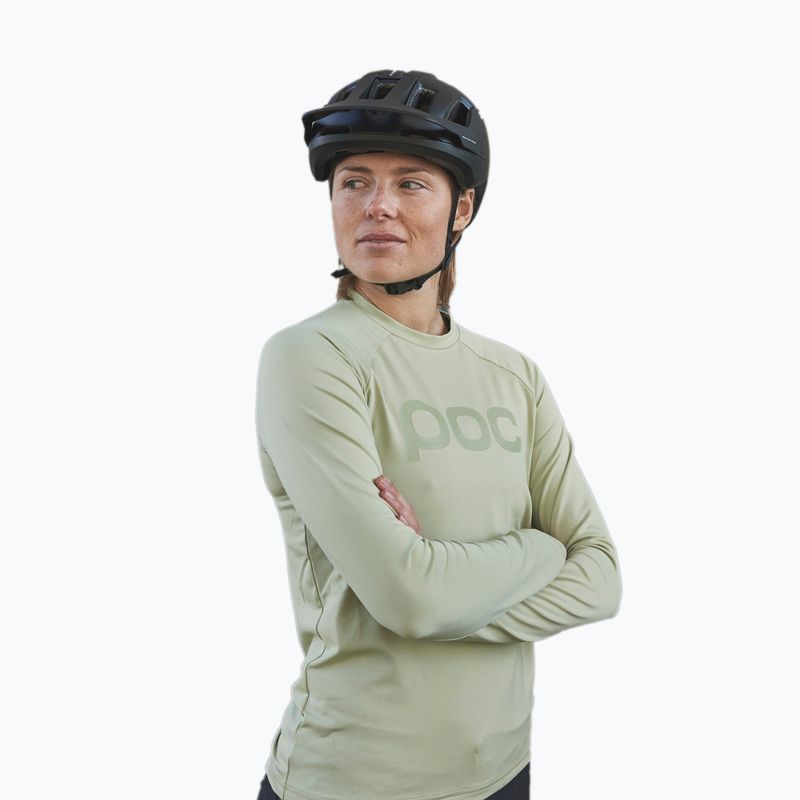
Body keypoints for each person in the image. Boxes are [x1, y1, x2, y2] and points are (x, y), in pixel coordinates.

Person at [254, 68, 622, 800]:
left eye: (411, 183)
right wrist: (540, 549)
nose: (377, 206)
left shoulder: (513, 375)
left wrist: (436, 586)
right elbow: (410, 599)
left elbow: (602, 579)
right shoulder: (312, 358)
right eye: (354, 182)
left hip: (503, 769)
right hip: (354, 780)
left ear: (463, 209)